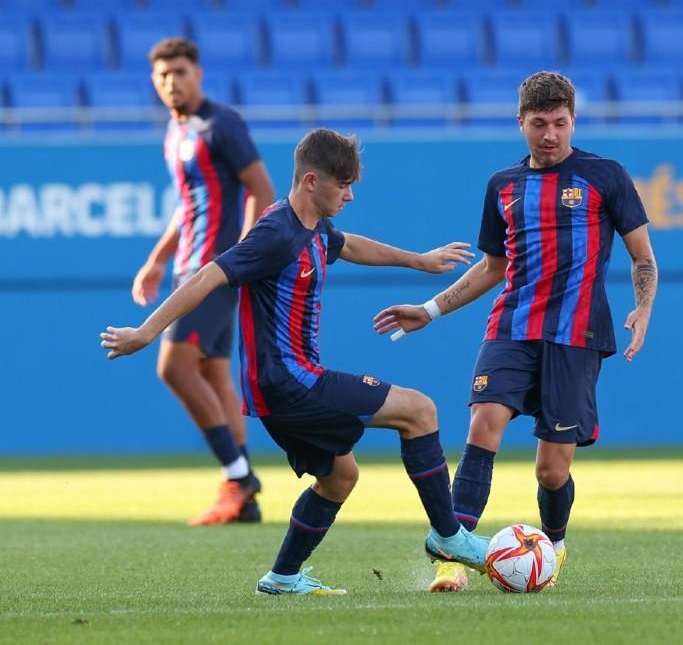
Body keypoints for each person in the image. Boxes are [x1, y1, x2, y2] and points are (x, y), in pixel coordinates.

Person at [102, 129, 489, 595]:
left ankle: (282, 576)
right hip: (291, 383)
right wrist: (147, 332)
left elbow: (347, 244)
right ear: (310, 181)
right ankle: (449, 537)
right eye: (342, 184)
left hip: (280, 389)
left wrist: (419, 261)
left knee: (340, 478)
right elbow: (207, 276)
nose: (349, 195)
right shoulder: (276, 233)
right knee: (420, 410)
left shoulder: (315, 227)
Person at [372, 71, 658, 592]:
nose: (550, 135)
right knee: (483, 425)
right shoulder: (502, 185)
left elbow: (643, 257)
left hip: (577, 335)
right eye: (539, 124)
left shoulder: (606, 175)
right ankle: (452, 557)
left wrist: (642, 308)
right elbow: (492, 267)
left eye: (560, 123)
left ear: (573, 121)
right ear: (520, 123)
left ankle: (554, 544)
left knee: (552, 470)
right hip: (511, 325)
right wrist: (430, 309)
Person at [134, 37, 276, 526]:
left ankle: (238, 477)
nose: (171, 81)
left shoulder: (222, 124)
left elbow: (262, 189)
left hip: (213, 271)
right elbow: (189, 204)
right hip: (188, 269)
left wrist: (242, 256)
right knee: (215, 375)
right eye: (162, 75)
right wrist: (156, 260)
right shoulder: (176, 133)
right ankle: (245, 499)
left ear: (198, 75)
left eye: (180, 71)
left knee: (173, 367)